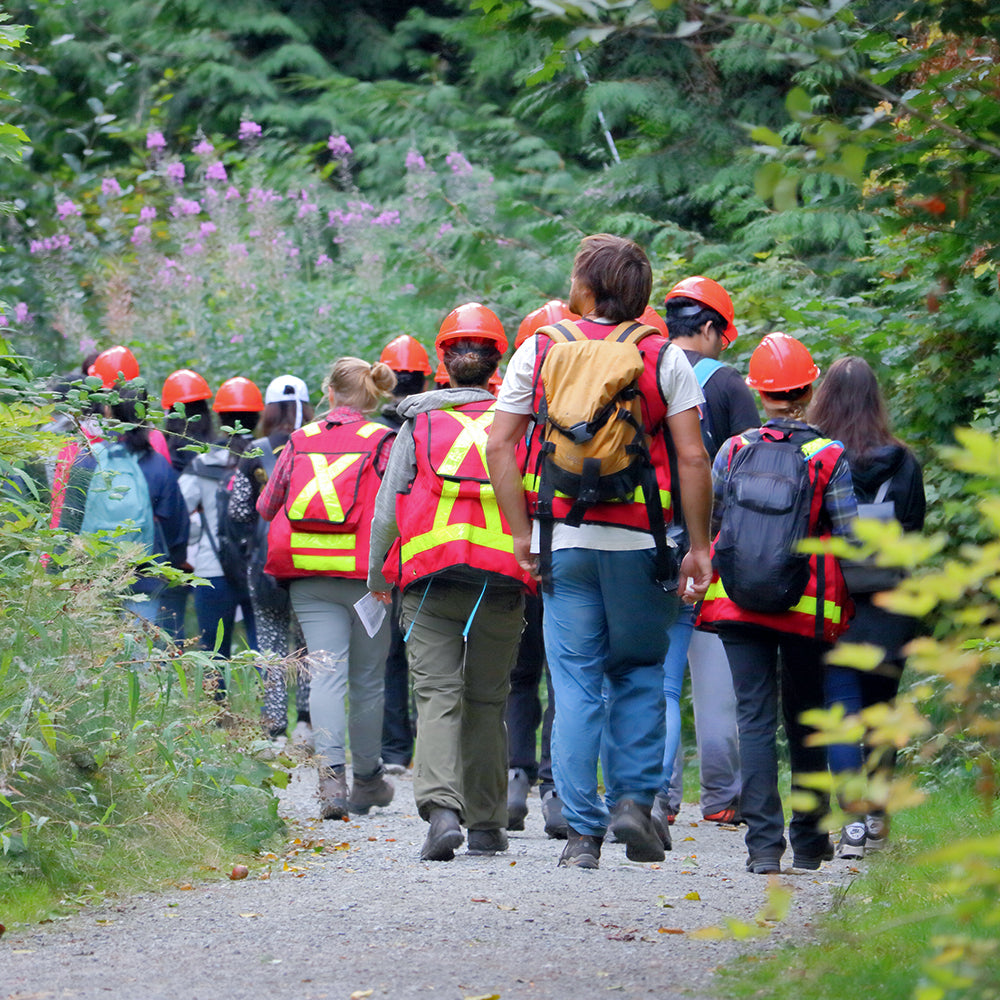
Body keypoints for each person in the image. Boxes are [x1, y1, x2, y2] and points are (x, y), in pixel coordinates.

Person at [487, 234, 714, 870]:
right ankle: (635, 805)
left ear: (585, 287)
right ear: (641, 295)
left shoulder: (541, 348)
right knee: (640, 672)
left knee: (576, 682)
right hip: (642, 541)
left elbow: (499, 446)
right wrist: (699, 546)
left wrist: (519, 533)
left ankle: (582, 836)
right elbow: (694, 456)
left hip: (565, 541)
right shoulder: (662, 355)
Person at [368, 303, 535, 861]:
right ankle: (487, 825)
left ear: (443, 360)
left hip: (428, 579)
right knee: (488, 700)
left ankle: (442, 812)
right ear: (498, 361)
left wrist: (376, 575)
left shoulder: (419, 422)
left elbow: (389, 508)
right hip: (502, 581)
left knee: (437, 696)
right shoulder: (520, 424)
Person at [698, 333, 857, 874]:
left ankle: (764, 847)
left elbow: (716, 522)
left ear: (758, 391)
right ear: (809, 389)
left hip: (737, 602)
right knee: (807, 720)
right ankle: (811, 841)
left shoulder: (735, 450)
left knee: (755, 719)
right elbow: (852, 537)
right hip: (805, 606)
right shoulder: (828, 456)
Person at [258, 358, 397, 820]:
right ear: (372, 396)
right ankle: (368, 780)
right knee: (367, 682)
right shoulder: (382, 440)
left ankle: (331, 783)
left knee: (326, 676)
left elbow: (267, 505)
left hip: (310, 577)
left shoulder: (299, 440)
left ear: (331, 394)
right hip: (368, 580)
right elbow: (400, 505)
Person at [653, 276, 760, 830]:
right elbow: (756, 476)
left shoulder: (644, 369)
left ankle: (656, 798)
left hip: (648, 544)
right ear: (714, 328)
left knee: (661, 682)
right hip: (712, 548)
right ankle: (720, 797)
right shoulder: (727, 385)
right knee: (718, 686)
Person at [808, 356, 925, 857]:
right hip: (890, 601)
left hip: (833, 600)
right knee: (882, 710)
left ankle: (851, 823)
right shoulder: (904, 461)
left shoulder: (815, 456)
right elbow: (915, 532)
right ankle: (877, 817)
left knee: (841, 709)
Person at [504, 300, 579, 837]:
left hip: (518, 554)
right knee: (564, 676)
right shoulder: (587, 410)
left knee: (518, 674)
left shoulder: (505, 414)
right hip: (570, 550)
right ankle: (555, 788)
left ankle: (514, 776)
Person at [228, 374, 315, 746]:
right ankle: (308, 724)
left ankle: (275, 726)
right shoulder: (315, 444)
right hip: (310, 560)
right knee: (309, 645)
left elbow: (238, 512)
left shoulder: (253, 451)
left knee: (272, 644)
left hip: (265, 564)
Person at [58, 384, 189, 625]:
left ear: (109, 412)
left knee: (93, 651)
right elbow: (177, 527)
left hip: (93, 575)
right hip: (144, 578)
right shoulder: (158, 466)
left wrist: (58, 574)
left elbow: (69, 522)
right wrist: (171, 565)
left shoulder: (88, 460)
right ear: (145, 414)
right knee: (138, 654)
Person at [376, 334, 433, 773]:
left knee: (391, 657)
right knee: (437, 658)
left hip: (389, 557)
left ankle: (395, 750)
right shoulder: (437, 425)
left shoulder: (375, 435)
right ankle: (434, 745)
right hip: (431, 554)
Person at [179, 376, 262, 661]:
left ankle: (218, 705)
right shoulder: (268, 459)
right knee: (265, 652)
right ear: (258, 416)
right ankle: (268, 703)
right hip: (259, 565)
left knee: (214, 655)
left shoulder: (201, 464)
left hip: (211, 568)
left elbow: (181, 509)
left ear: (220, 416)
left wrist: (193, 539)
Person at [159, 368, 214, 640]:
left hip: (177, 551)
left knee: (171, 620)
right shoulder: (217, 452)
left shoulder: (163, 455)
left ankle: (171, 670)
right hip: (213, 555)